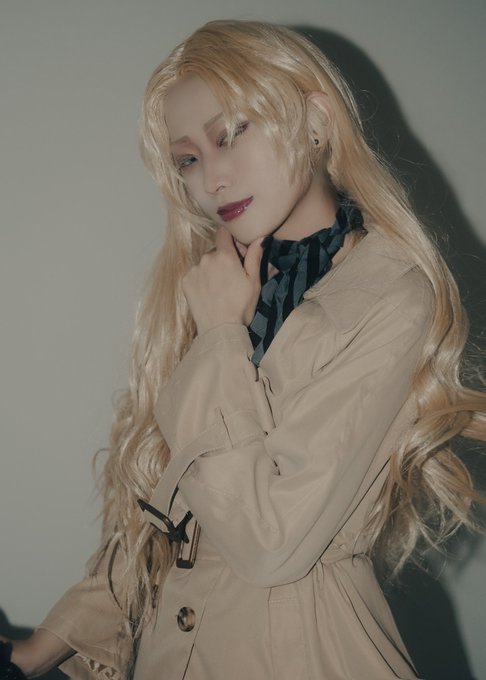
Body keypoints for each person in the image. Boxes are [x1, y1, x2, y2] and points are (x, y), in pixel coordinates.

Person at [1, 19, 485, 680]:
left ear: (316, 122)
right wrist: (49, 645)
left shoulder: (390, 294)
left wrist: (222, 337)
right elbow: (171, 518)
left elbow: (268, 543)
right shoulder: (218, 284)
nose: (212, 179)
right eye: (188, 160)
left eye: (229, 134)